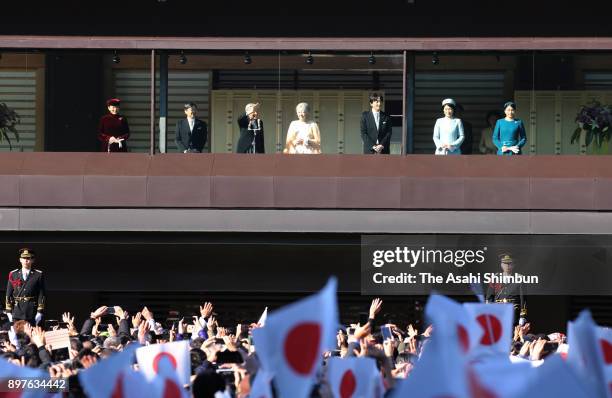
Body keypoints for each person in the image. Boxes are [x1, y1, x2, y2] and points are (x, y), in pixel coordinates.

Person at [5, 248, 46, 325]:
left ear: (32, 260)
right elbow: (8, 294)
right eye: (24, 258)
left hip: (31, 312)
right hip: (17, 311)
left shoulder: (38, 274)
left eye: (28, 258)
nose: (26, 260)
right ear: (20, 260)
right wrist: (8, 312)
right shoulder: (13, 274)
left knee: (31, 335)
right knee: (17, 336)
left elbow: (41, 294)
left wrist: (40, 312)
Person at [485, 252, 527, 325]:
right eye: (504, 263)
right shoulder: (495, 277)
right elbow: (489, 297)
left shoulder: (519, 278)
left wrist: (522, 316)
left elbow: (523, 299)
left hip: (512, 309)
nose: (507, 266)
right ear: (501, 264)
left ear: (514, 265)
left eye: (510, 263)